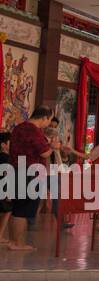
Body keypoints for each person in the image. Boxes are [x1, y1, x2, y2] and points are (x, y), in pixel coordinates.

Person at [9, 106, 54, 251]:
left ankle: (13, 241)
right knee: (23, 210)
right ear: (44, 118)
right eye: (50, 120)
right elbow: (45, 153)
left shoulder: (19, 128)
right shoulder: (34, 130)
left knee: (17, 208)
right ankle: (18, 244)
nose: (49, 123)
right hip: (30, 172)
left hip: (16, 169)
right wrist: (53, 146)